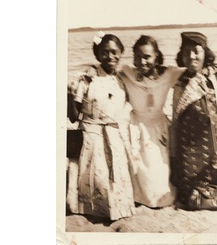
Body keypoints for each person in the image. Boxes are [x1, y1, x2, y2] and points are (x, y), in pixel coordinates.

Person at [67, 32, 135, 221]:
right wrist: (70, 92)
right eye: (105, 52)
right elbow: (73, 116)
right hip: (92, 136)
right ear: (98, 55)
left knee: (116, 180)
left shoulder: (122, 80)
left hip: (114, 136)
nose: (110, 57)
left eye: (115, 52)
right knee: (96, 178)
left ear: (121, 53)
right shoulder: (87, 79)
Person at [119, 35, 185, 208]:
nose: (142, 61)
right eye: (138, 56)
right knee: (138, 169)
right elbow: (107, 73)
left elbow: (192, 71)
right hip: (136, 126)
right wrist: (88, 71)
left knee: (159, 174)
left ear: (156, 57)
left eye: (147, 56)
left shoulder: (168, 74)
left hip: (159, 126)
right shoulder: (127, 73)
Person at [170, 31, 217, 210]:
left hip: (215, 143)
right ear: (181, 55)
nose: (191, 56)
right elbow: (176, 119)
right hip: (189, 148)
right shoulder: (180, 81)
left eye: (196, 51)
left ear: (205, 53)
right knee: (191, 196)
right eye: (186, 52)